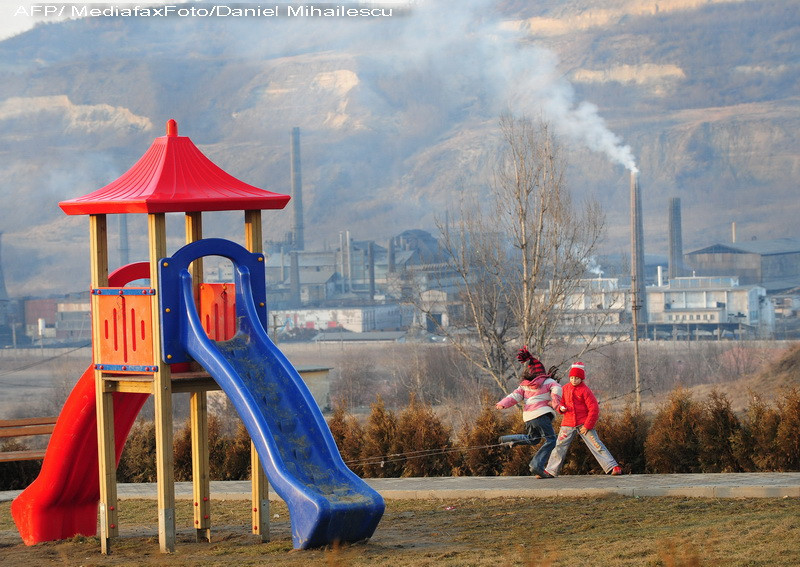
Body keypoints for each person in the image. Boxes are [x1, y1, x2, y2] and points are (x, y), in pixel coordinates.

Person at [544, 362, 622, 477]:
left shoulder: (585, 391)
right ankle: (550, 470)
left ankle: (612, 466)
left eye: (577, 378)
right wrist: (561, 408)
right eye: (572, 377)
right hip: (568, 423)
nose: (574, 380)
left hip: (584, 423)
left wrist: (588, 425)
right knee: (559, 446)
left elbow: (594, 409)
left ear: (581, 378)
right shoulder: (564, 389)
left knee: (596, 444)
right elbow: (560, 402)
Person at [495, 347, 562, 478]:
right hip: (541, 415)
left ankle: (508, 439)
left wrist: (502, 404)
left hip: (529, 417)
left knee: (533, 439)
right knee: (551, 440)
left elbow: (513, 396)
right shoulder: (548, 381)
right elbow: (557, 390)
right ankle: (537, 465)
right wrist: (555, 403)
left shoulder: (524, 386)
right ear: (542, 372)